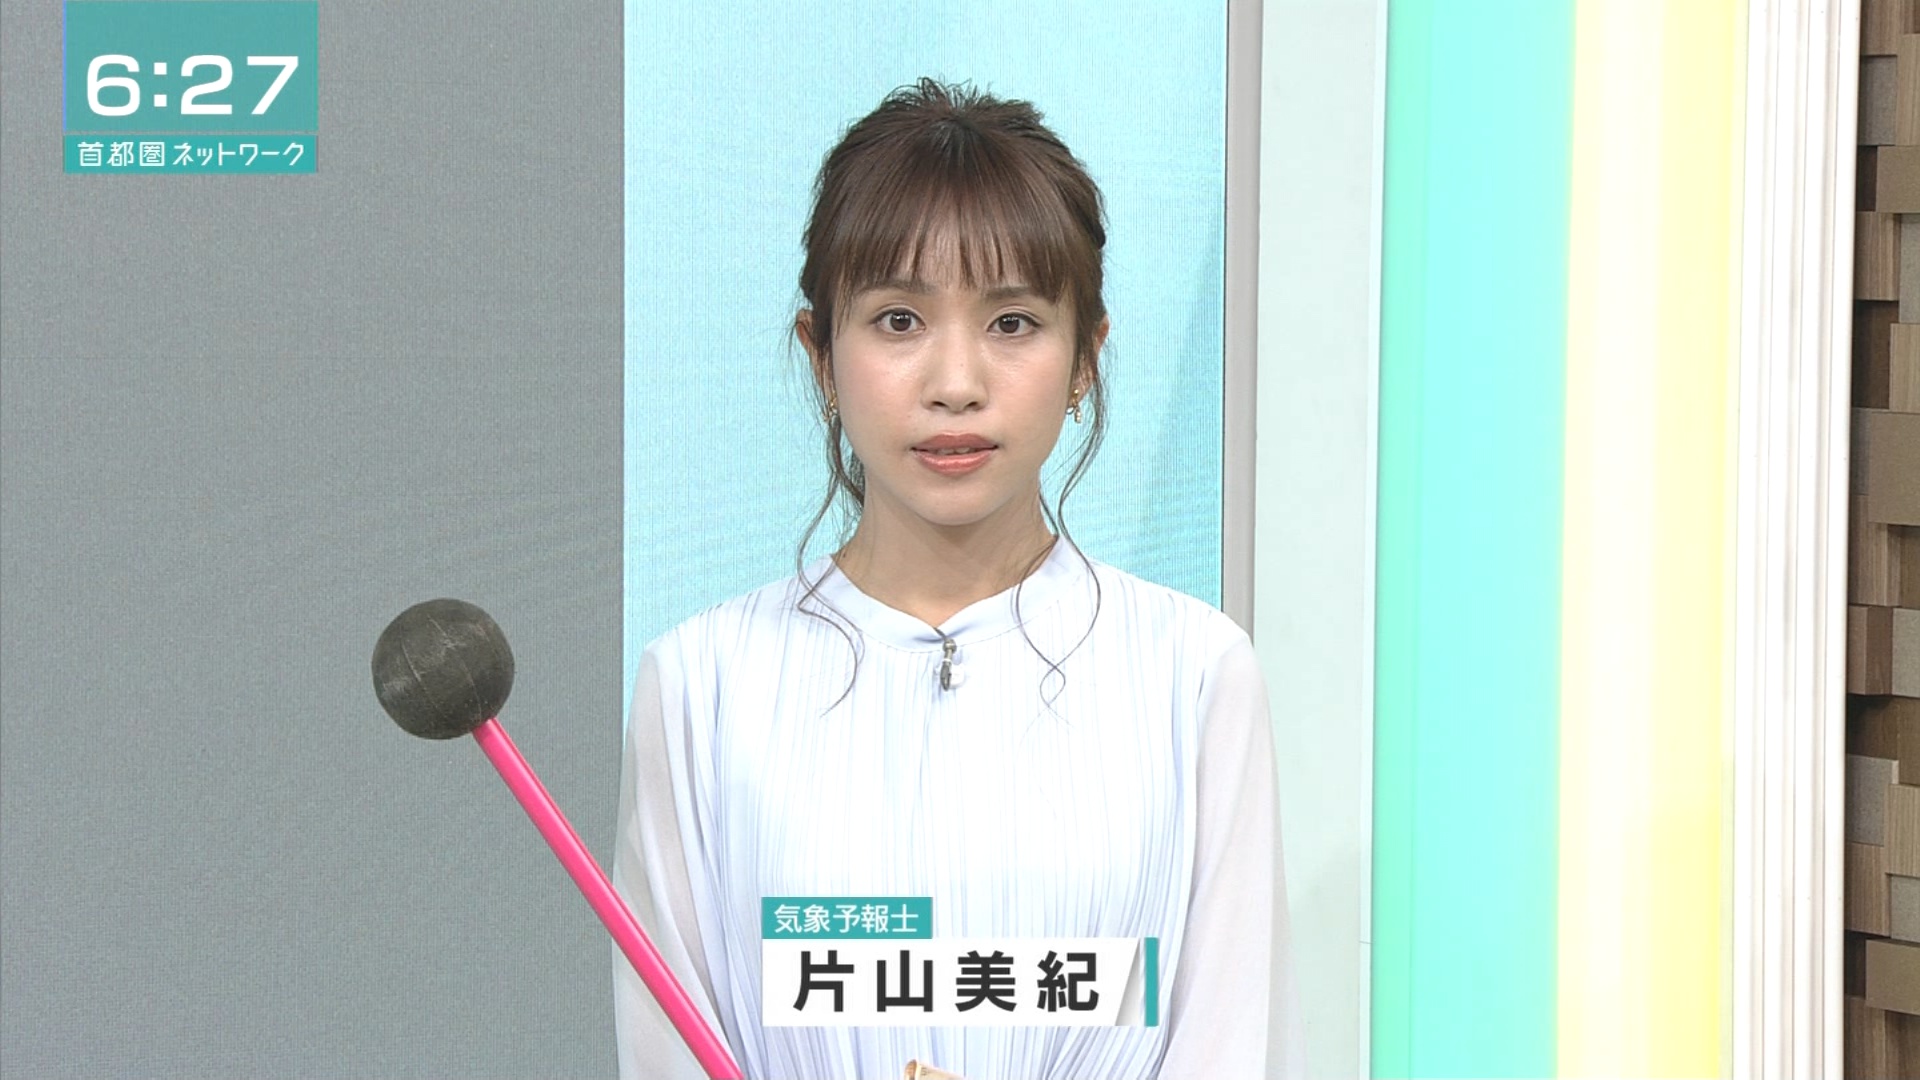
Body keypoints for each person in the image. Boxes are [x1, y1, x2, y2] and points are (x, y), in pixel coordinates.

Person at [613, 78, 1291, 1080]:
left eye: (1012, 322)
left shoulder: (1193, 674)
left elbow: (1234, 1044)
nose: (956, 384)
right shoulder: (702, 686)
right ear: (820, 355)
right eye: (898, 320)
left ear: (1086, 357)